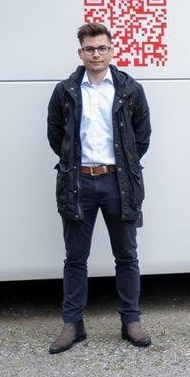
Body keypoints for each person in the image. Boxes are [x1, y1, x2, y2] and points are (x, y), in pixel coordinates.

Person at [46, 23, 152, 354]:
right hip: (78, 182)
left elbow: (141, 138)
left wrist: (121, 166)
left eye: (102, 48)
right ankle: (72, 324)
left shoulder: (129, 90)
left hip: (117, 182)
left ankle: (130, 321)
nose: (96, 54)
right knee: (75, 257)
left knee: (127, 255)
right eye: (90, 49)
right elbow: (56, 137)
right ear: (81, 53)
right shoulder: (65, 92)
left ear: (111, 50)